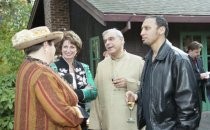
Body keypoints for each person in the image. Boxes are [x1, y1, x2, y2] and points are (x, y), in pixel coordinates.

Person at [126, 15, 201, 130]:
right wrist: (137, 97)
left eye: (147, 28)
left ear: (161, 30)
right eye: (142, 29)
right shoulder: (148, 59)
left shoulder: (179, 59)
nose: (141, 33)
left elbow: (189, 110)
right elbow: (155, 93)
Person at [12, 26, 88, 130]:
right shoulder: (42, 73)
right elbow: (62, 114)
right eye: (54, 45)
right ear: (46, 45)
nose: (55, 50)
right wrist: (80, 112)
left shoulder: (26, 66)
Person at [89, 28, 145, 130]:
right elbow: (96, 98)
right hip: (108, 123)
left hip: (132, 123)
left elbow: (149, 90)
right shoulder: (101, 66)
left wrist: (129, 83)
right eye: (105, 41)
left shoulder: (139, 62)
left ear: (122, 40)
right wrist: (94, 126)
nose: (108, 43)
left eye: (111, 39)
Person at [50, 30, 97, 130]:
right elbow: (54, 94)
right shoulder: (52, 68)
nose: (68, 50)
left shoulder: (84, 67)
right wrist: (83, 91)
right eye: (65, 47)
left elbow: (93, 92)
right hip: (62, 117)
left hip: (82, 117)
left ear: (77, 50)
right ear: (61, 48)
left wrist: (73, 93)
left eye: (72, 47)